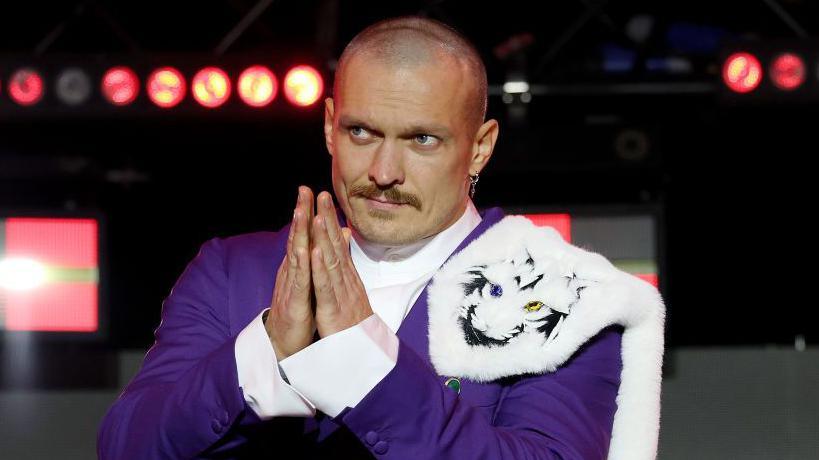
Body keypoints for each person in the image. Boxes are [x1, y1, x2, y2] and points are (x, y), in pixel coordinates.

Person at [98, 16, 665, 459]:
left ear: (481, 146)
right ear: (328, 126)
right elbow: (127, 447)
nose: (384, 170)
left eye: (422, 139)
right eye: (362, 132)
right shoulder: (234, 272)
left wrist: (365, 367)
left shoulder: (560, 292)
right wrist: (263, 351)